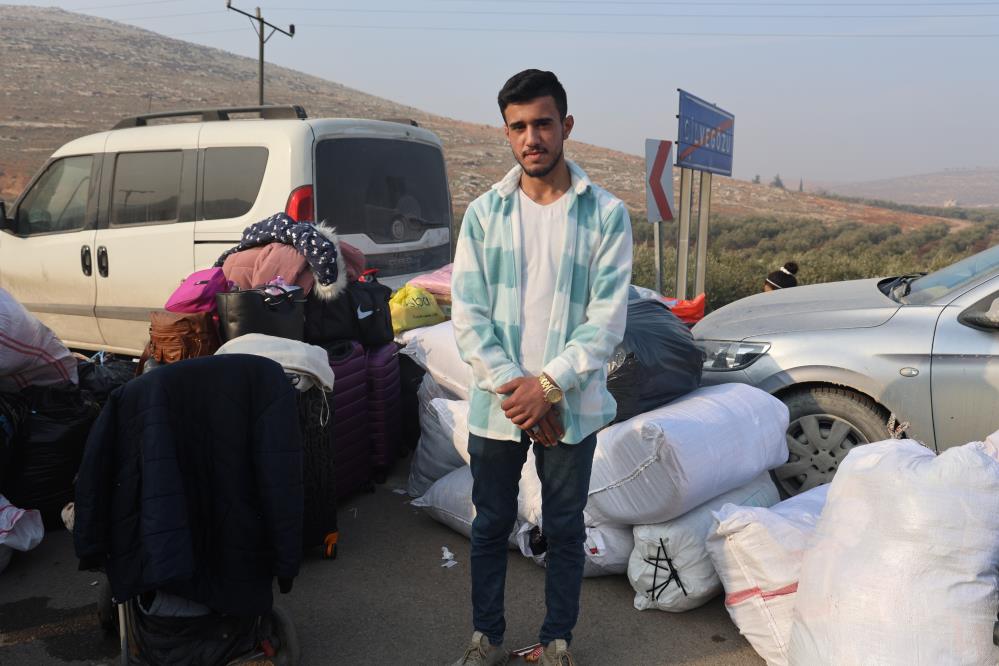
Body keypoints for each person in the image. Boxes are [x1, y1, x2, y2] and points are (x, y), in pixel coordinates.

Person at [449, 69, 633, 666]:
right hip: (499, 406)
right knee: (489, 526)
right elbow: (469, 317)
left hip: (569, 408)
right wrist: (520, 394)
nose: (532, 137)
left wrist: (549, 387)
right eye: (518, 126)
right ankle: (487, 639)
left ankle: (556, 643)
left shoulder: (605, 215)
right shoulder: (484, 215)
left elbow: (605, 321)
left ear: (566, 127)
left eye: (543, 123)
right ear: (506, 134)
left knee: (564, 530)